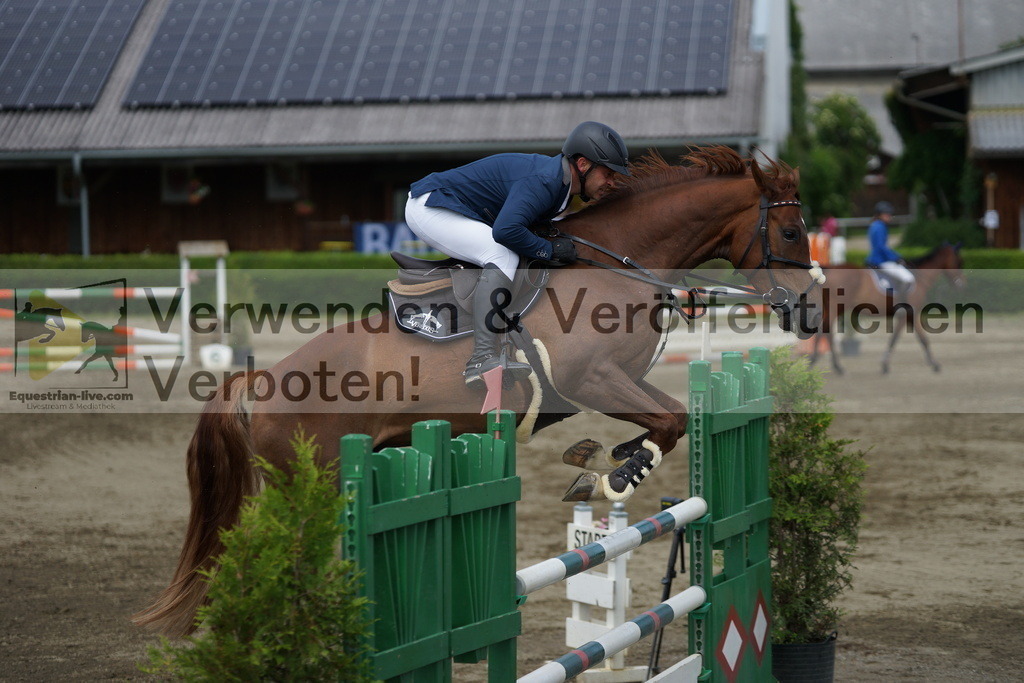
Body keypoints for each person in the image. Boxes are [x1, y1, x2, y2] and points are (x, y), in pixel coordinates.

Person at [405, 121, 631, 387]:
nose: (612, 183)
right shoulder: (545, 181)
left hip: (457, 208)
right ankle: (480, 359)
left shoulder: (562, 188)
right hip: (431, 206)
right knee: (502, 255)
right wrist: (548, 250)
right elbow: (506, 230)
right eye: (609, 174)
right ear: (583, 165)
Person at [865, 201, 914, 295]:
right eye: (887, 214)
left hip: (875, 259)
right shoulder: (880, 227)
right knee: (908, 279)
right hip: (880, 261)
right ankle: (901, 301)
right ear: (880, 215)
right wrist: (897, 258)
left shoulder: (874, 225)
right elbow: (881, 248)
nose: (890, 216)